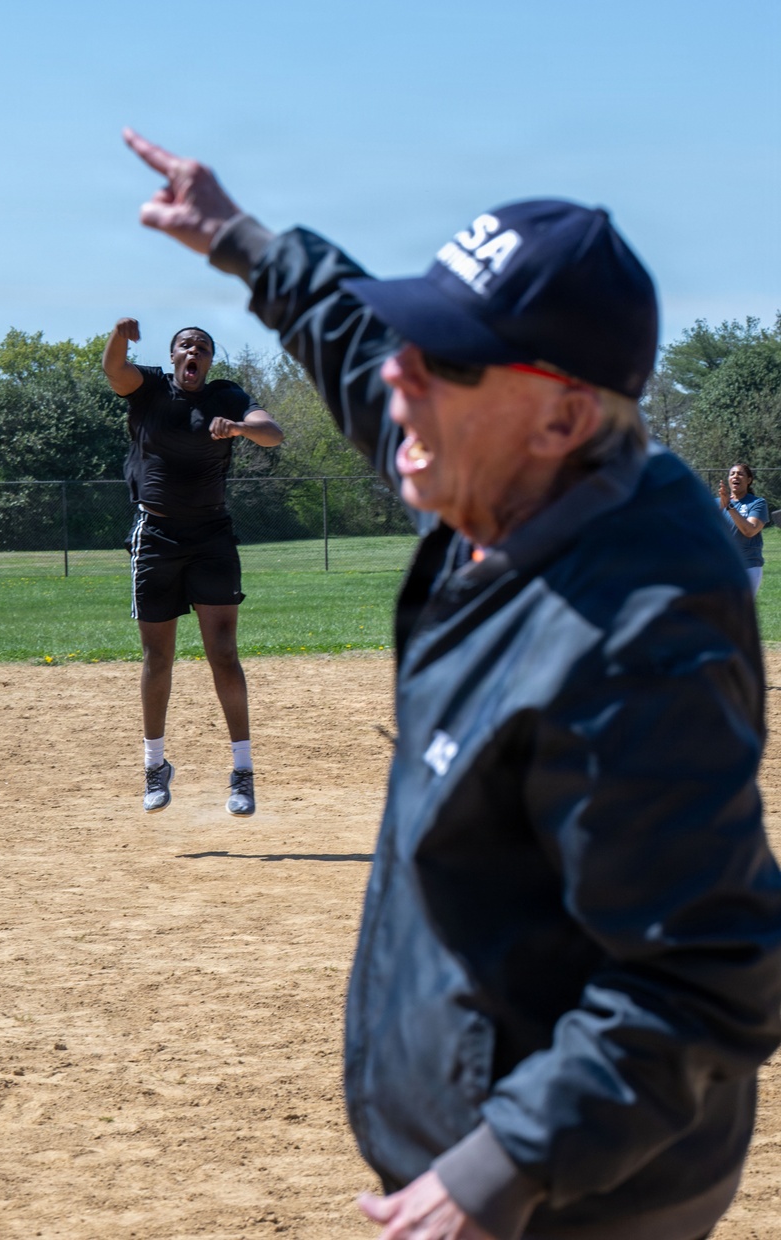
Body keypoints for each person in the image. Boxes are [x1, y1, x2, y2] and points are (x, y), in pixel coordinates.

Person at [119, 130, 781, 1240]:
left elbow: (710, 971)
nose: (399, 376)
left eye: (446, 360)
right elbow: (352, 338)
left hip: (577, 1199)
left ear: (563, 414)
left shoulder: (635, 631)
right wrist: (239, 240)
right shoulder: (507, 469)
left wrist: (503, 1168)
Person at [102, 316, 283, 816]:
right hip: (156, 535)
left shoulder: (226, 396)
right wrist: (119, 335)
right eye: (185, 346)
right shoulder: (150, 388)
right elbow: (114, 370)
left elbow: (274, 433)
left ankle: (243, 773)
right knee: (157, 657)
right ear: (173, 354)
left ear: (208, 361)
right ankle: (154, 766)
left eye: (201, 348)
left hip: (211, 536)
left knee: (223, 652)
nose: (193, 353)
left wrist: (241, 428)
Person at [719, 462, 769, 594]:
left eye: (740, 474)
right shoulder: (716, 503)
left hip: (748, 568)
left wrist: (729, 506)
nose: (735, 476)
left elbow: (750, 530)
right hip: (720, 568)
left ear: (749, 480)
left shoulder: (757, 503)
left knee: (737, 612)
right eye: (732, 474)